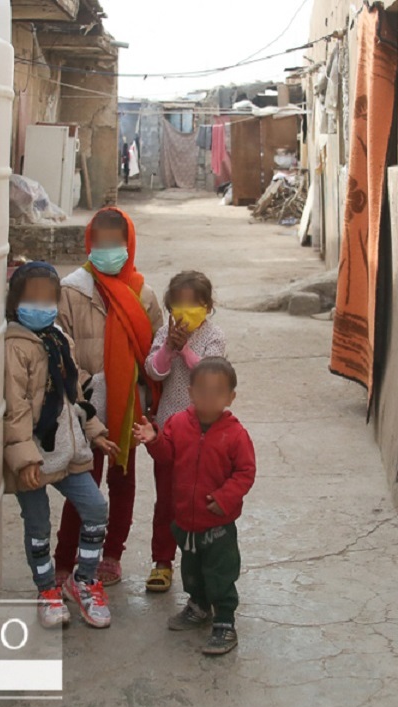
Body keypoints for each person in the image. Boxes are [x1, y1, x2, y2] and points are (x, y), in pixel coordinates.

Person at [2, 262, 120, 629]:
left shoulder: (59, 339)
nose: (41, 305)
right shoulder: (13, 349)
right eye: (31, 298)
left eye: (48, 298)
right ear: (14, 302)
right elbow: (14, 408)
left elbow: (75, 390)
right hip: (33, 456)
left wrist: (95, 428)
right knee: (38, 525)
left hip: (69, 450)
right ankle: (46, 590)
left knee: (96, 508)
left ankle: (83, 580)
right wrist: (23, 459)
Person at [54, 207, 164, 588]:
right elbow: (62, 351)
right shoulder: (71, 290)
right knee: (82, 482)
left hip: (127, 406)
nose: (108, 248)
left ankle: (112, 554)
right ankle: (64, 558)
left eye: (116, 242)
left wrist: (147, 404)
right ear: (89, 242)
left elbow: (153, 355)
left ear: (129, 243)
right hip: (83, 406)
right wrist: (86, 392)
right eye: (100, 241)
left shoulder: (142, 295)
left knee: (122, 481)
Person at [134, 357, 256, 655]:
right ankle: (198, 606)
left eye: (218, 392)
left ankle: (225, 621)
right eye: (202, 390)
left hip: (218, 524)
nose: (209, 398)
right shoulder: (178, 423)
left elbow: (245, 473)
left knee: (220, 574)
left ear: (231, 397)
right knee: (191, 569)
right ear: (190, 392)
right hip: (184, 521)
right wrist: (154, 440)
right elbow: (167, 457)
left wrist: (225, 498)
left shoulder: (236, 435)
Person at [142, 271, 227, 593]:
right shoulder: (165, 332)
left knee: (199, 499)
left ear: (206, 306)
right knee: (166, 501)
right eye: (178, 305)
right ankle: (162, 562)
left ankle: (202, 561)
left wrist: (187, 349)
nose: (185, 312)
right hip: (167, 432)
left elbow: (211, 376)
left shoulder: (214, 337)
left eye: (193, 305)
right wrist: (168, 348)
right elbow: (154, 370)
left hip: (204, 434)